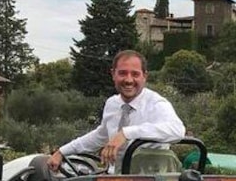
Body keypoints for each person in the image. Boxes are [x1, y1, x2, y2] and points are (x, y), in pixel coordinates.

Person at [47, 50, 186, 173]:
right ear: (113, 74)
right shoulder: (112, 103)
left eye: (135, 74)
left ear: (145, 76)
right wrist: (62, 152)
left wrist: (127, 133)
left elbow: (178, 130)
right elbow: (100, 135)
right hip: (115, 179)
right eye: (122, 73)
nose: (129, 80)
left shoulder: (156, 104)